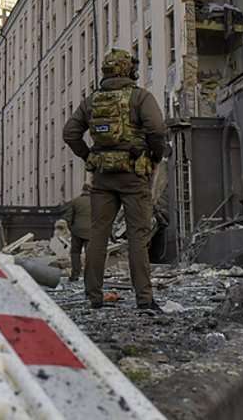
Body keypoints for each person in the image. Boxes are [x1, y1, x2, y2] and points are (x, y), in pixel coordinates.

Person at [63, 49, 167, 311]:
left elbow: (70, 133)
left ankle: (93, 296)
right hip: (134, 175)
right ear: (128, 70)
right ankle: (144, 299)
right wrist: (155, 155)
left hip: (102, 178)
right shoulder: (140, 97)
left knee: (98, 235)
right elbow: (156, 128)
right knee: (138, 237)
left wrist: (89, 155)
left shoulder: (92, 100)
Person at [61, 183, 93, 282]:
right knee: (90, 254)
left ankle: (75, 274)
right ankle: (89, 276)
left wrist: (72, 229)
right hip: (91, 232)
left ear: (82, 190)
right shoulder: (96, 202)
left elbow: (68, 217)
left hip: (77, 232)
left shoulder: (75, 201)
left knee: (75, 252)